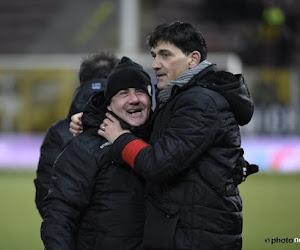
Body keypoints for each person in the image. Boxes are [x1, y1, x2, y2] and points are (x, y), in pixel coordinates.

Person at [97, 21, 257, 250]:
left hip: (197, 236)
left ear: (192, 59)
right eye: (154, 55)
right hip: (191, 229)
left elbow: (158, 164)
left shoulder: (199, 102)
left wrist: (120, 138)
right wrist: (89, 120)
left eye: (165, 55)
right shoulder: (182, 98)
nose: (155, 64)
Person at [41, 56, 153, 250]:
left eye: (140, 91)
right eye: (123, 93)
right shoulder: (84, 147)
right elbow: (59, 216)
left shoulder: (163, 138)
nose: (134, 99)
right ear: (109, 104)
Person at [34, 51, 119, 218]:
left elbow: (45, 189)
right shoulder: (130, 125)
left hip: (72, 234)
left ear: (82, 81)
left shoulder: (58, 131)